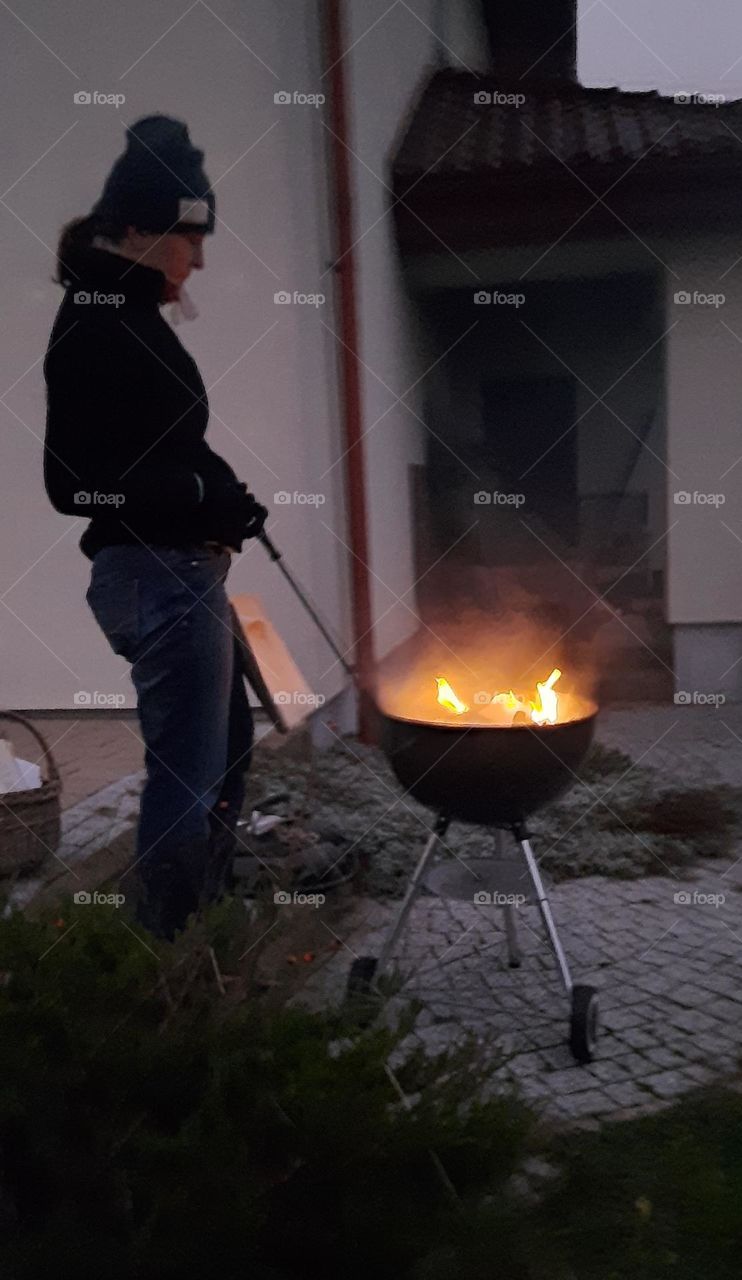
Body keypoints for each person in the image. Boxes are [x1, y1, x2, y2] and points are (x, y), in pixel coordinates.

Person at [43, 114, 268, 940]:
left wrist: (222, 488)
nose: (199, 259)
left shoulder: (131, 317)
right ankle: (169, 953)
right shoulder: (96, 322)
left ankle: (199, 909)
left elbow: (167, 446)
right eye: (189, 238)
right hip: (155, 576)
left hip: (177, 571)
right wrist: (196, 497)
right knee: (188, 770)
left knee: (228, 746)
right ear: (138, 229)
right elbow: (72, 484)